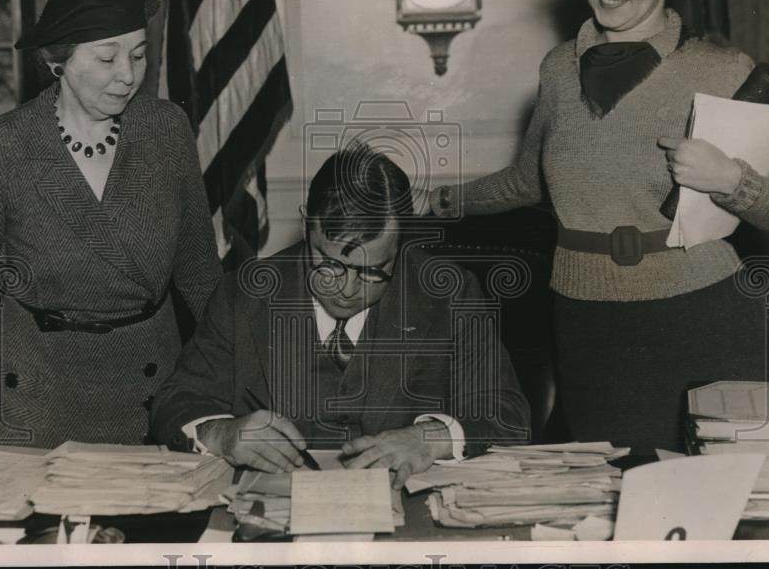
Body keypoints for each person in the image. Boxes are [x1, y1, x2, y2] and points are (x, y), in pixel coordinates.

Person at [427, 0, 769, 453]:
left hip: (703, 314)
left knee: (720, 503)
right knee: (610, 498)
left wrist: (731, 180)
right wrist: (440, 200)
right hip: (588, 322)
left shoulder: (721, 69)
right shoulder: (557, 69)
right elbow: (528, 179)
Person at [0, 0, 221, 467]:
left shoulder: (166, 131)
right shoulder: (5, 145)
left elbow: (200, 273)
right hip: (36, 401)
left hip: (150, 396)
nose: (128, 74)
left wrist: (239, 393)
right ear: (57, 60)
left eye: (139, 54)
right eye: (107, 57)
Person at [151, 142, 530, 488]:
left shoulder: (450, 294)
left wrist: (430, 438)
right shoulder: (245, 293)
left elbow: (507, 413)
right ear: (306, 226)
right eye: (329, 263)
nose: (347, 289)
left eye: (372, 270)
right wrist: (224, 434)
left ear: (401, 243)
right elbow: (176, 401)